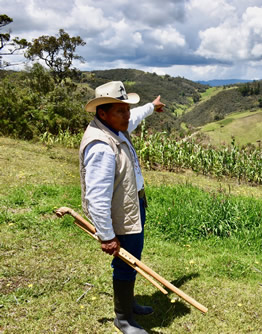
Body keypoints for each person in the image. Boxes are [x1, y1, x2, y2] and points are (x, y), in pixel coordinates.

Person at [79, 81, 165, 334]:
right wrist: (106, 236)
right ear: (102, 113)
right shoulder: (102, 146)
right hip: (121, 212)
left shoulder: (115, 127)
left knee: (133, 258)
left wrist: (152, 106)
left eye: (127, 110)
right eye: (120, 111)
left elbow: (135, 117)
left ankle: (129, 303)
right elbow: (96, 197)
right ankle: (123, 318)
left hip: (132, 204)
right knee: (126, 262)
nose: (127, 115)